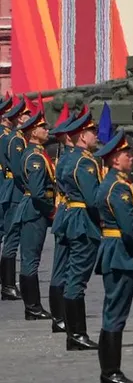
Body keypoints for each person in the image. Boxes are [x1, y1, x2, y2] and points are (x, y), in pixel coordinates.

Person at [95, 130, 133, 383]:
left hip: (114, 250)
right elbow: (129, 230)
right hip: (121, 253)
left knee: (113, 312)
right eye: (126, 154)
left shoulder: (113, 184)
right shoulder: (118, 189)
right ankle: (111, 372)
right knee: (116, 314)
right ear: (114, 159)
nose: (131, 157)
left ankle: (110, 371)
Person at [59, 110, 101, 351]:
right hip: (82, 221)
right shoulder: (84, 162)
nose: (96, 135)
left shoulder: (69, 158)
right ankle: (77, 334)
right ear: (83, 136)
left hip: (71, 217)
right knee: (77, 279)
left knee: (72, 277)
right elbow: (92, 199)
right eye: (92, 132)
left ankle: (73, 334)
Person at [11, 102, 53, 320]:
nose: (47, 130)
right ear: (33, 133)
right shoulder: (35, 157)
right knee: (30, 259)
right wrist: (51, 210)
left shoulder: (36, 153)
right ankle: (33, 307)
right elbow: (38, 192)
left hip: (32, 209)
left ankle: (33, 306)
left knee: (31, 258)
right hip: (34, 211)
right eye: (43, 127)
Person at [47, 108, 83, 335]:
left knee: (60, 268)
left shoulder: (65, 157)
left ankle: (59, 317)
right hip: (71, 216)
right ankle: (60, 317)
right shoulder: (74, 160)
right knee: (65, 269)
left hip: (64, 214)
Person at [0, 95, 19, 301]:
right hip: (8, 187)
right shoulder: (8, 137)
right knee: (11, 236)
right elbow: (16, 170)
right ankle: (8, 285)